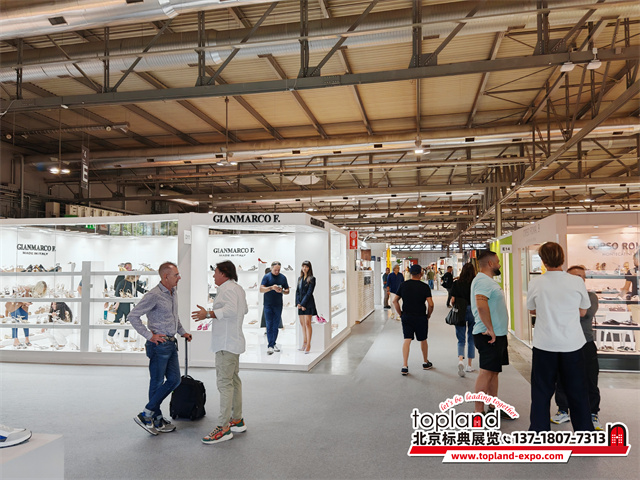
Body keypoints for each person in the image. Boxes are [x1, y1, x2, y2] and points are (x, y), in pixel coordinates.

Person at [527, 242, 592, 432]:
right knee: (578, 391)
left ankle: (538, 434)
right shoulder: (576, 281)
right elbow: (583, 311)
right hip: (572, 344)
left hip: (544, 344)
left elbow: (532, 309)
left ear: (543, 260)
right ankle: (585, 433)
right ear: (562, 258)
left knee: (541, 392)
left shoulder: (536, 282)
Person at [128, 261, 192, 435]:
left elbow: (174, 316)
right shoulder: (154, 295)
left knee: (174, 380)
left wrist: (183, 332)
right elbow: (133, 316)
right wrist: (149, 335)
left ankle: (149, 414)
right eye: (176, 275)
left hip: (171, 344)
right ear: (166, 276)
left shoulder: (173, 292)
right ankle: (152, 417)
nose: (179, 277)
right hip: (159, 346)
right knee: (156, 382)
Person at [192, 260, 248, 445]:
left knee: (225, 384)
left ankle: (223, 428)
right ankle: (236, 420)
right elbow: (244, 310)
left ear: (224, 273)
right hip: (233, 341)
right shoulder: (237, 288)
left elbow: (231, 310)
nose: (214, 276)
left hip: (226, 344)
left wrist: (208, 314)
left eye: (215, 272)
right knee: (233, 381)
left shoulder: (227, 289)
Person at [551, 265, 602, 430]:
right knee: (562, 379)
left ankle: (592, 412)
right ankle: (563, 410)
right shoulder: (560, 296)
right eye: (575, 276)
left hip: (585, 343)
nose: (579, 279)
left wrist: (564, 310)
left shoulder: (591, 296)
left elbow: (585, 314)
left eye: (581, 276)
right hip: (564, 342)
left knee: (590, 379)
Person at [471, 250, 510, 415]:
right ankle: (478, 412)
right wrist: (490, 329)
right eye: (498, 262)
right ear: (490, 263)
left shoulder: (486, 281)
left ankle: (493, 407)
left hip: (497, 334)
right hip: (487, 335)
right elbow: (481, 306)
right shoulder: (483, 281)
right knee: (486, 373)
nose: (499, 265)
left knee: (494, 372)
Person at [393, 264, 434, 376]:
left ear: (411, 273)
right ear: (421, 274)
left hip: (407, 316)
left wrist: (400, 314)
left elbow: (395, 301)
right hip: (421, 316)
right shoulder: (424, 287)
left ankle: (405, 366)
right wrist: (428, 315)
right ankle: (425, 362)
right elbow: (431, 304)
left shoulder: (403, 285)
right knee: (423, 339)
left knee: (407, 339)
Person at [450, 262, 476, 377]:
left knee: (461, 339)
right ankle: (469, 365)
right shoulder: (475, 283)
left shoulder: (457, 283)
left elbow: (452, 300)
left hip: (460, 311)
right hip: (473, 310)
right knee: (471, 338)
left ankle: (461, 360)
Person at [107, 275, 147, 345]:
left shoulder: (133, 283)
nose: (138, 278)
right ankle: (110, 336)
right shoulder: (123, 282)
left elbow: (139, 289)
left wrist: (148, 292)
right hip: (122, 304)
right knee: (118, 320)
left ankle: (126, 337)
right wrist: (117, 303)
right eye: (137, 277)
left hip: (129, 304)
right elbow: (117, 293)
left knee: (127, 321)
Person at [260, 261, 290, 354]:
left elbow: (288, 290)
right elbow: (261, 289)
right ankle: (271, 345)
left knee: (276, 325)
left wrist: (282, 291)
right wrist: (271, 288)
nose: (277, 272)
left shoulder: (283, 277)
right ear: (271, 268)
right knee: (269, 325)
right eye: (275, 270)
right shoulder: (266, 277)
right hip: (268, 304)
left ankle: (272, 344)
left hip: (278, 304)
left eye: (278, 270)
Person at [296, 260, 317, 354]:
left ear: (309, 268)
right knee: (302, 323)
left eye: (306, 267)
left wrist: (303, 304)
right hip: (300, 304)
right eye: (303, 266)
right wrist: (298, 303)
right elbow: (297, 292)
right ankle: (304, 343)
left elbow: (309, 293)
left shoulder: (312, 279)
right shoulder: (299, 278)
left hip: (308, 304)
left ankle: (308, 344)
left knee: (308, 323)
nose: (304, 268)